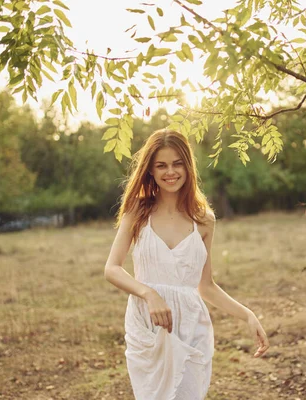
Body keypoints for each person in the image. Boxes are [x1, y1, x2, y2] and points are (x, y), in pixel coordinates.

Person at [104, 129, 270, 400]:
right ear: (150, 170)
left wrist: (247, 314)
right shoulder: (137, 211)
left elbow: (205, 286)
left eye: (177, 163)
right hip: (148, 325)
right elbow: (111, 268)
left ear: (188, 166)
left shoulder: (204, 220)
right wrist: (148, 293)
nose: (170, 171)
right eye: (161, 165)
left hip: (191, 325)